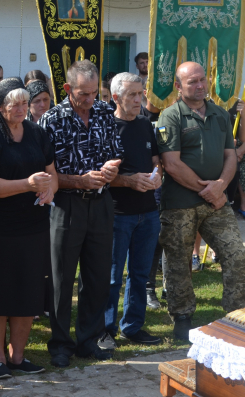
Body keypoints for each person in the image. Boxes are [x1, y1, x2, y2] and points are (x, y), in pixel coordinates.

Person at [38, 60, 122, 368]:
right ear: (67, 88)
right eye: (83, 94)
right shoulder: (51, 119)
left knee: (98, 276)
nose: (89, 100)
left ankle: (90, 338)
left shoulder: (103, 112)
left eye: (93, 93)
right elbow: (46, 172)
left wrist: (112, 169)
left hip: (100, 203)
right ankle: (60, 343)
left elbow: (115, 150)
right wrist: (80, 180)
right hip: (65, 204)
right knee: (61, 278)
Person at [0, 78, 57, 378]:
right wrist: (28, 185)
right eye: (14, 105)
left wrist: (49, 190)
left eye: (25, 103)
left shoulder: (36, 132)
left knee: (28, 291)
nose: (21, 109)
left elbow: (51, 172)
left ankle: (18, 358)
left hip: (33, 225)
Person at [157, 61, 245, 340]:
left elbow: (230, 156)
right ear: (178, 86)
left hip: (216, 203)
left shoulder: (220, 113)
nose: (199, 86)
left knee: (236, 255)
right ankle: (182, 317)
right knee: (179, 261)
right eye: (192, 81)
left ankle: (236, 315)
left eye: (202, 80)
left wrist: (219, 187)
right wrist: (205, 189)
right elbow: (171, 163)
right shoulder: (171, 116)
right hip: (180, 204)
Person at [102, 73, 162, 348]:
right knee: (113, 275)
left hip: (148, 212)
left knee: (140, 274)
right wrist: (128, 180)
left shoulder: (144, 124)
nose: (139, 100)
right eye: (132, 96)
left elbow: (155, 159)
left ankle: (133, 326)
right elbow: (96, 173)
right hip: (117, 213)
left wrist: (158, 174)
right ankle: (105, 329)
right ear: (116, 98)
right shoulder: (106, 127)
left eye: (141, 94)